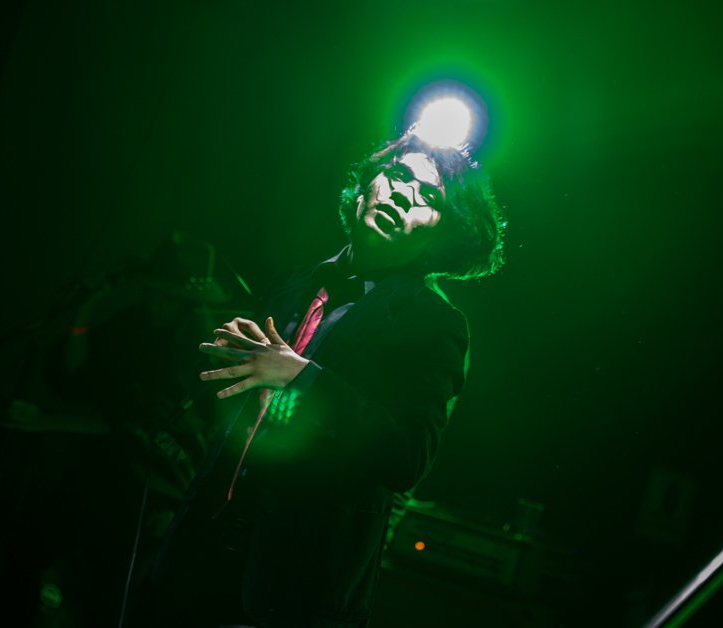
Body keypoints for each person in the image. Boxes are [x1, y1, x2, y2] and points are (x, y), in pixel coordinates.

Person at [140, 131, 505, 627]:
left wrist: (301, 375)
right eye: (399, 175)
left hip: (293, 589)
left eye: (428, 196)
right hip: (197, 560)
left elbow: (408, 455)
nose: (403, 194)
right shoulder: (297, 283)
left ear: (442, 236)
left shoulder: (434, 323)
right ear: (364, 186)